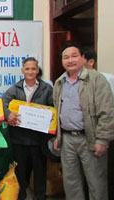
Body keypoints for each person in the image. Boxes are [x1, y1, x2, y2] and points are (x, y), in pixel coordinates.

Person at [53, 43, 114, 200]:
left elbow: (107, 112)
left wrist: (102, 140)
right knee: (71, 183)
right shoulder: (60, 82)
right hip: (67, 140)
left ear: (82, 58)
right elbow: (57, 112)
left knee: (96, 183)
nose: (70, 60)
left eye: (74, 56)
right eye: (66, 57)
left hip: (90, 139)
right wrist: (58, 137)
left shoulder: (96, 80)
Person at [2, 57, 53, 200]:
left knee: (40, 172)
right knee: (21, 172)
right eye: (27, 69)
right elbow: (3, 105)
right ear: (22, 70)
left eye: (33, 68)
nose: (30, 71)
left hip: (39, 139)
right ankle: (21, 196)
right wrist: (8, 115)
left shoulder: (47, 89)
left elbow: (54, 108)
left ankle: (40, 196)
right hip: (19, 139)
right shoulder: (14, 89)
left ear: (37, 70)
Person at [82, 47, 114, 200]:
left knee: (99, 178)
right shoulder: (70, 81)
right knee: (81, 178)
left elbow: (108, 110)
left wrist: (103, 137)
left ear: (90, 62)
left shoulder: (106, 79)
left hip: (101, 134)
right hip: (79, 136)